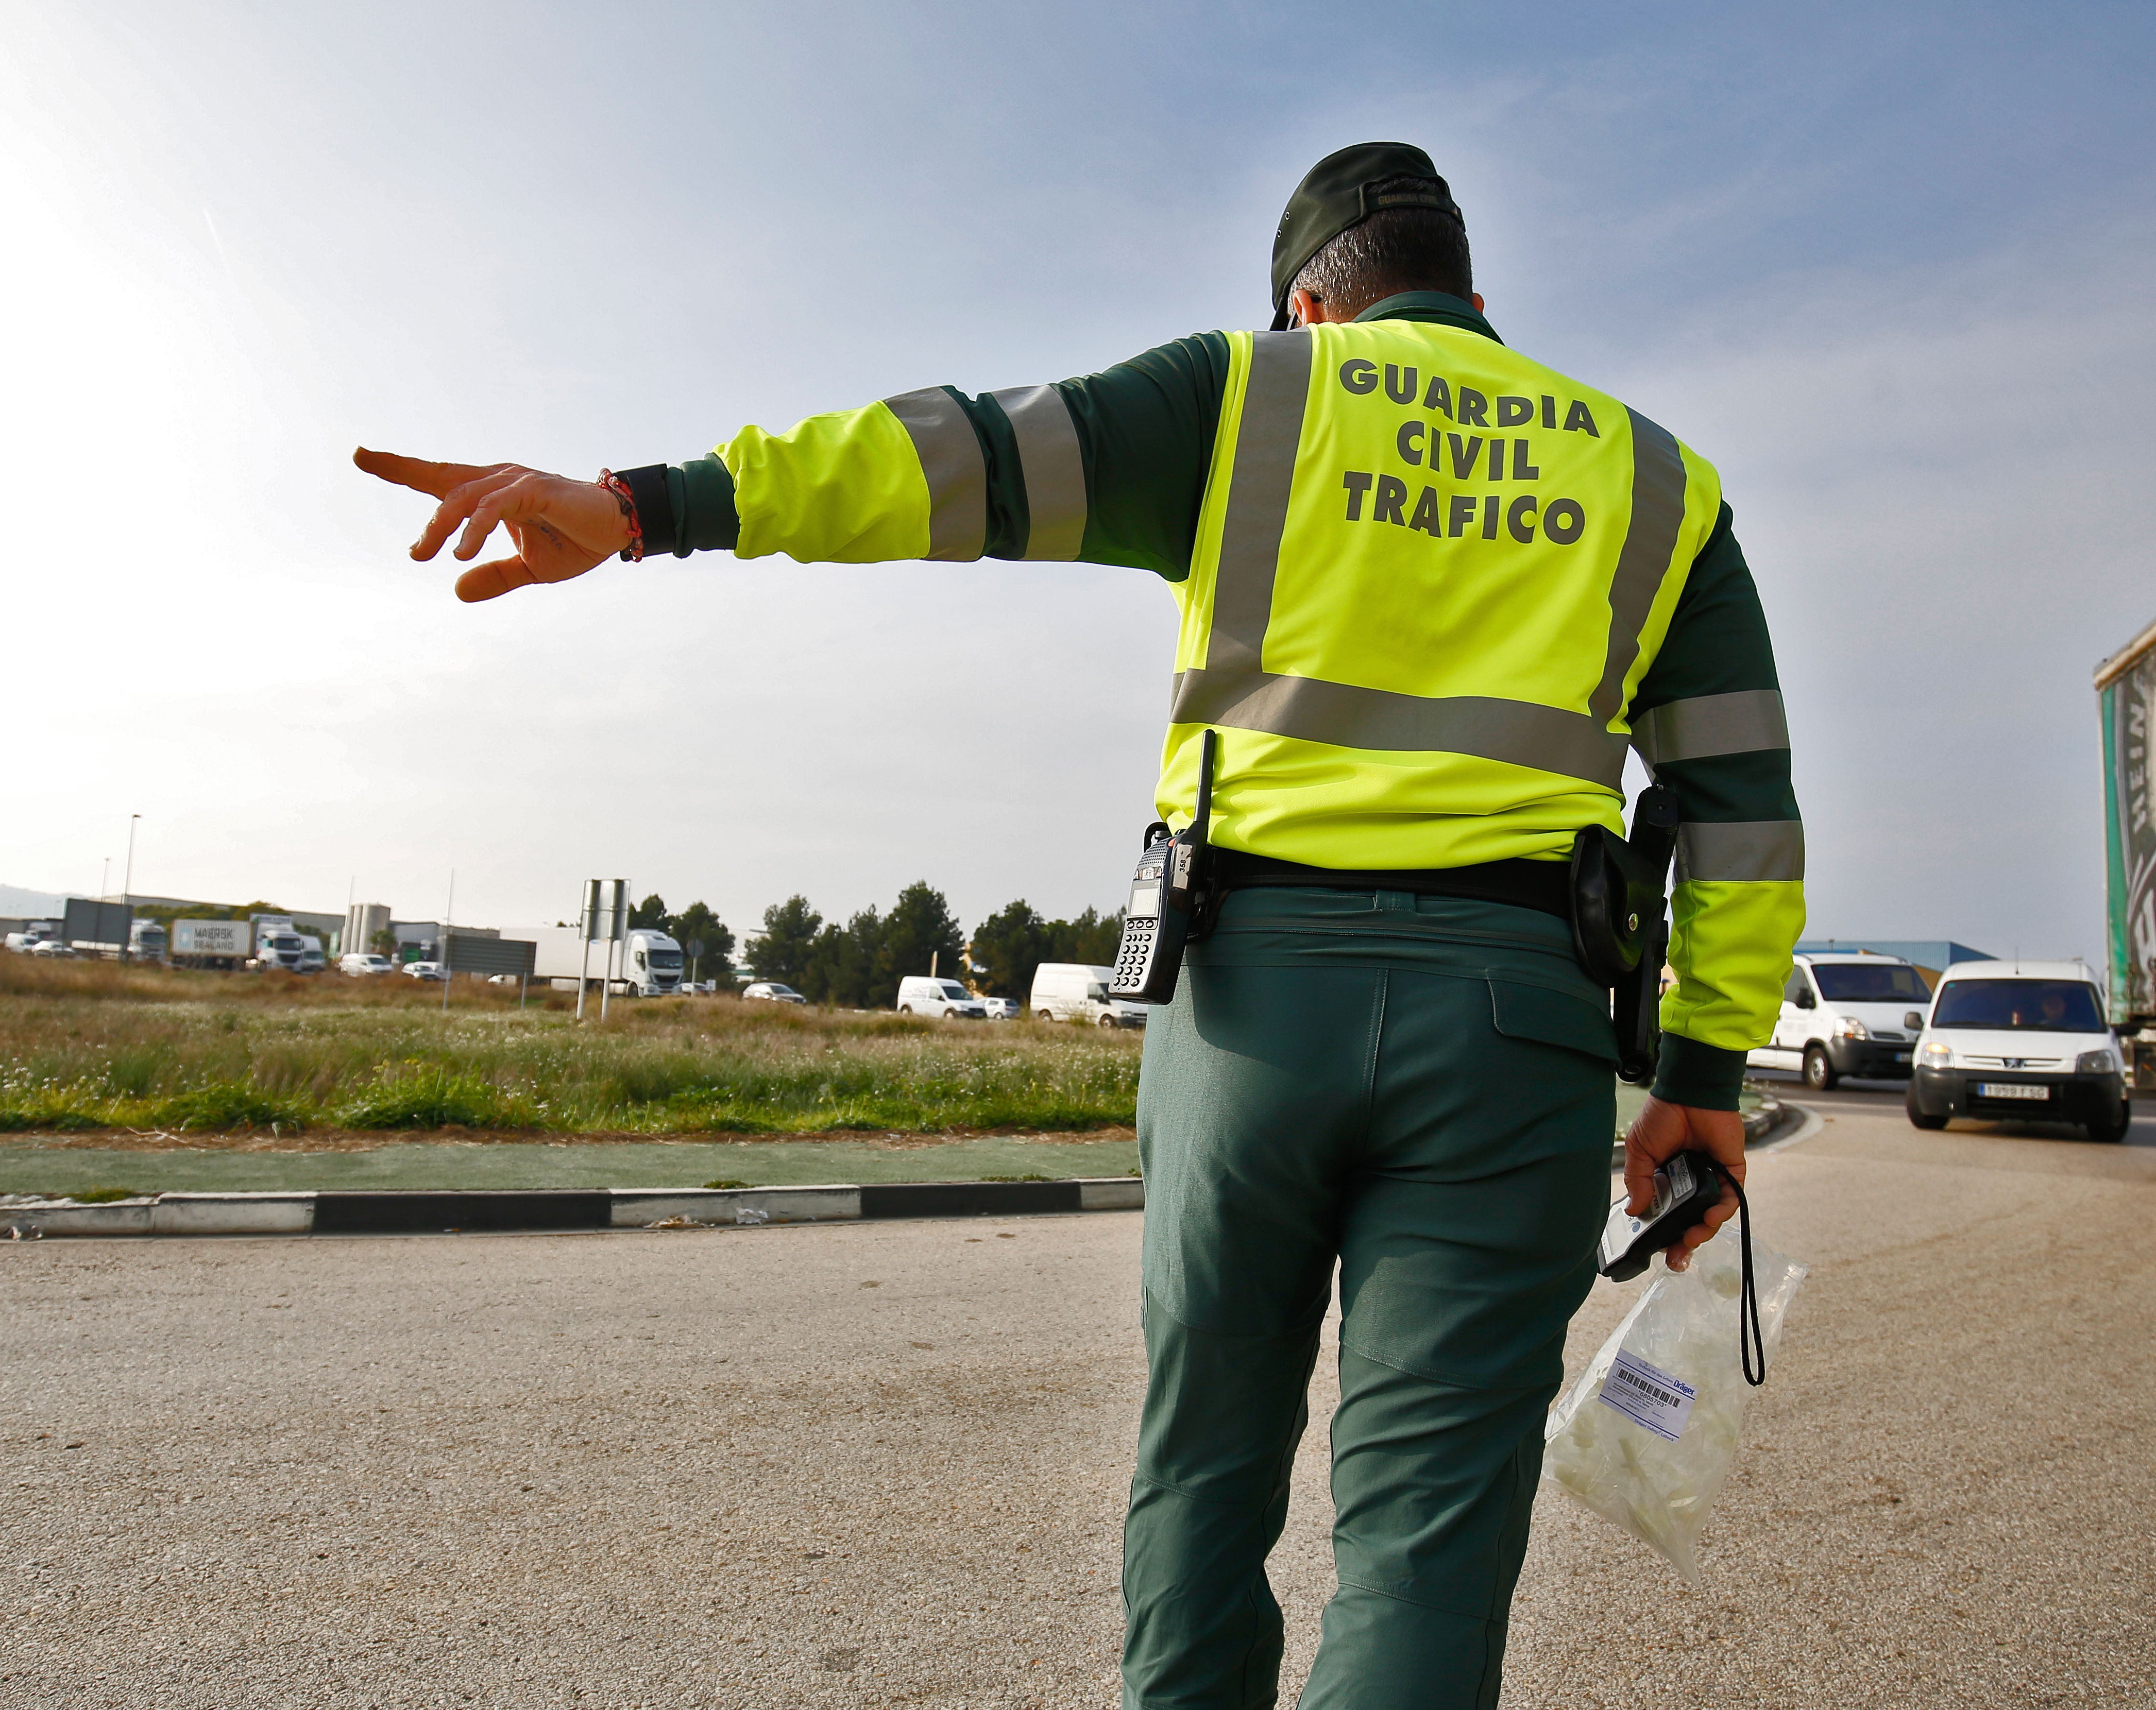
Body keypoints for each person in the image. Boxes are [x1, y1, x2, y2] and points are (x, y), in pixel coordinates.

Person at [356, 141, 1803, 1709]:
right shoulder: (1656, 480)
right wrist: (1703, 1073)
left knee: (1205, 1469)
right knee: (1428, 1547)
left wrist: (646, 507)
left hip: (1253, 1007)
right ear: (1474, 298)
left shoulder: (1248, 397)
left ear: (1310, 306)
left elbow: (949, 459)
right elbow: (1743, 812)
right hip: (1518, 1028)